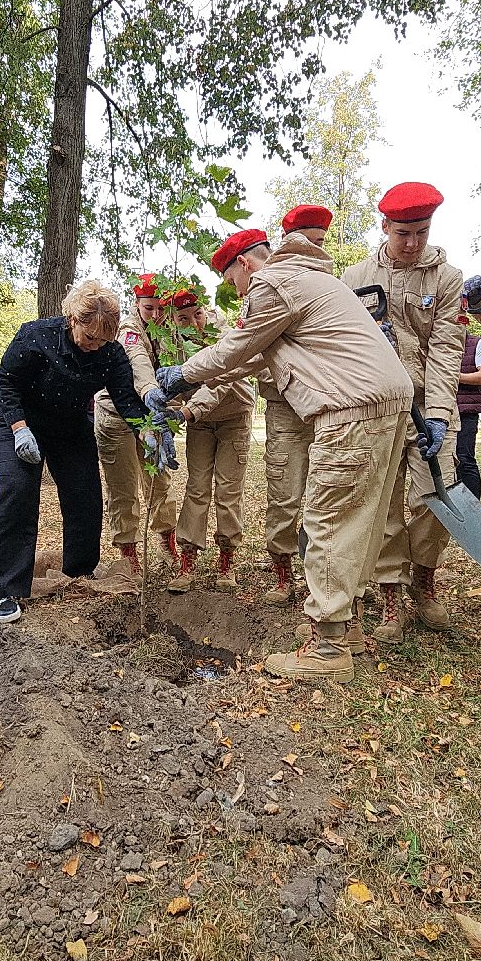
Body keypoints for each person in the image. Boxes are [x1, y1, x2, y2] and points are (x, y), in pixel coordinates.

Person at [152, 231, 414, 683]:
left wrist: (180, 373)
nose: (237, 292)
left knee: (326, 520)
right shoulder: (311, 282)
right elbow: (248, 361)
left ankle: (328, 647)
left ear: (246, 265)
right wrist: (191, 387)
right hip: (388, 404)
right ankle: (344, 625)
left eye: (233, 281)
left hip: (349, 410)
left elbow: (236, 347)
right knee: (361, 519)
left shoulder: (273, 284)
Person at [0, 280, 176, 624]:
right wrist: (19, 428)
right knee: (18, 492)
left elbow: (125, 399)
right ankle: (2, 589)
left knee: (85, 494)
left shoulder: (111, 353)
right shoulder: (37, 336)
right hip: (21, 422)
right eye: (90, 338)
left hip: (70, 427)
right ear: (73, 319)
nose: (95, 346)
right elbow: (6, 380)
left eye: (104, 339)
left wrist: (146, 431)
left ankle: (79, 570)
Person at [343, 182, 465, 642]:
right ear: (385, 227)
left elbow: (446, 347)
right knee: (386, 502)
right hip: (380, 409)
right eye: (403, 233)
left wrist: (437, 413)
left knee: (437, 494)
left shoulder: (446, 278)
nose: (413, 243)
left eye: (422, 232)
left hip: (426, 405)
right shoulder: (355, 279)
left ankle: (424, 579)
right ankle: (391, 592)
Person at [159, 286, 255, 593]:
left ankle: (227, 559)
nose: (195, 323)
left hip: (232, 418)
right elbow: (169, 385)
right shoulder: (170, 342)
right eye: (184, 318)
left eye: (198, 314)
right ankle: (188, 559)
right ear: (174, 320)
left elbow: (219, 383)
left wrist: (187, 412)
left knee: (228, 490)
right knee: (197, 488)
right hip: (198, 423)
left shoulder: (223, 334)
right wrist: (166, 418)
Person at [263, 207, 332, 603]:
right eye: (307, 243)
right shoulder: (274, 287)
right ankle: (281, 572)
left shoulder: (335, 287)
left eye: (320, 244)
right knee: (285, 494)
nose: (314, 252)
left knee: (325, 497)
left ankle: (320, 575)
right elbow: (253, 353)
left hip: (327, 410)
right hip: (285, 407)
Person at [95, 273, 178, 573]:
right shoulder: (128, 329)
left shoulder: (167, 330)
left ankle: (166, 540)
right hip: (117, 415)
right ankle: (128, 552)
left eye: (160, 308)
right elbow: (139, 362)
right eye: (148, 308)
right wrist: (151, 391)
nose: (155, 314)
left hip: (150, 415)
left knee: (159, 481)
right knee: (124, 487)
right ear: (136, 305)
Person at [456, 331, 481, 499]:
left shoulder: (479, 344)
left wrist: (454, 377)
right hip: (440, 409)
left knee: (464, 458)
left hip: (466, 413)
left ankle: (472, 507)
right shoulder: (436, 343)